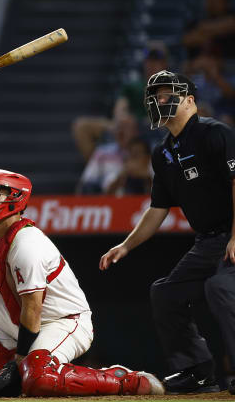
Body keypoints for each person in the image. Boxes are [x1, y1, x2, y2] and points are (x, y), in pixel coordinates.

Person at [0, 169, 163, 397]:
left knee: (41, 379)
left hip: (65, 320)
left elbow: (33, 306)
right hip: (32, 319)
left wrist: (20, 359)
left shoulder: (26, 243)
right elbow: (13, 299)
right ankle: (21, 377)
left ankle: (128, 380)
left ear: (16, 198)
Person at [100, 70, 235, 394]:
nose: (158, 101)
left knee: (220, 287)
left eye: (166, 94)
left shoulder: (216, 133)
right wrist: (126, 245)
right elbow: (158, 208)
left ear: (190, 100)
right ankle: (198, 372)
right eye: (154, 96)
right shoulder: (163, 152)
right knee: (166, 293)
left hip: (232, 234)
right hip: (209, 242)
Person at [76, 113, 149, 195]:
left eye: (125, 127)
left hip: (138, 199)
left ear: (136, 131)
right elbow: (86, 182)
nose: (120, 131)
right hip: (107, 200)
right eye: (118, 127)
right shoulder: (102, 152)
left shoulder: (144, 152)